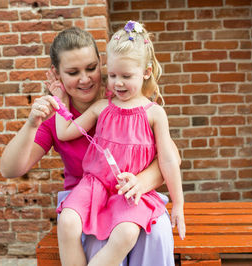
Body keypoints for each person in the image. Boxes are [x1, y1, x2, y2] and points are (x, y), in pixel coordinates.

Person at [0, 26, 180, 265]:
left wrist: (143, 181)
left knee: (153, 233)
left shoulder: (123, 99)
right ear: (57, 74)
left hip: (130, 196)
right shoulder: (59, 119)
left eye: (92, 68)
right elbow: (10, 169)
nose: (85, 79)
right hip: (87, 201)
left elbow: (171, 156)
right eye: (73, 72)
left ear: (101, 64)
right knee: (97, 240)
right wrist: (33, 123)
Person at [55, 21, 186, 266]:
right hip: (95, 186)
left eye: (126, 76)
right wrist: (60, 100)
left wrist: (178, 203)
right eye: (113, 75)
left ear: (146, 72)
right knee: (67, 221)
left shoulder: (154, 114)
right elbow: (65, 132)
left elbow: (168, 159)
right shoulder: (103, 107)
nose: (118, 83)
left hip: (130, 191)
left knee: (126, 233)